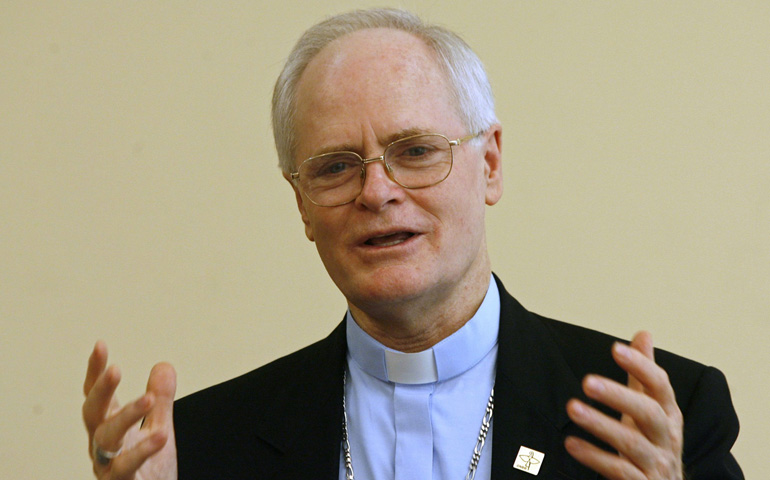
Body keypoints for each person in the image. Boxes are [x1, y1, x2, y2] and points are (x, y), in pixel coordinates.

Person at [82, 8, 742, 480]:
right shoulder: (203, 446)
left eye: (416, 151)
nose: (377, 191)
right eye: (336, 166)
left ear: (490, 164)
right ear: (302, 204)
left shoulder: (660, 420)